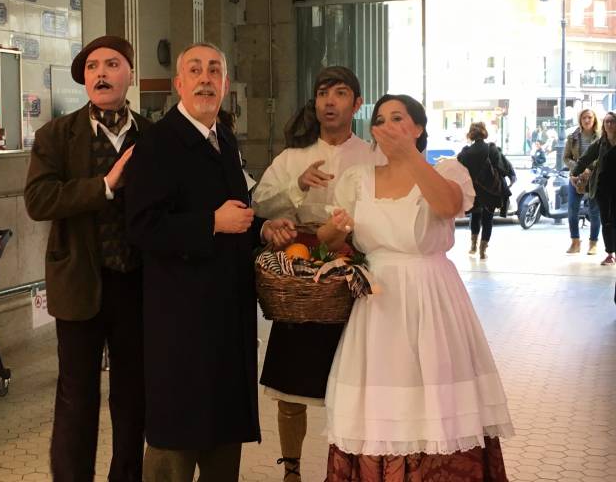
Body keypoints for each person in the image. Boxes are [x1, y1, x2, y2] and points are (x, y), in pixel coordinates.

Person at [318, 94, 512, 481]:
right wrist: (337, 226)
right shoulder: (359, 177)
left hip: (432, 296)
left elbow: (448, 205)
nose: (388, 125)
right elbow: (327, 236)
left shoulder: (447, 170)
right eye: (380, 119)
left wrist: (409, 157)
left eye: (398, 118)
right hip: (378, 302)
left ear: (419, 128)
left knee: (433, 388)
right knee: (382, 393)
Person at [125, 42, 295, 482]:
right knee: (178, 432)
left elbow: (233, 208)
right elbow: (143, 226)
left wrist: (260, 228)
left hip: (226, 311)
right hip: (181, 316)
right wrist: (210, 224)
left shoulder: (223, 138)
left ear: (225, 84)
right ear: (178, 84)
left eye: (214, 70)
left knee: (222, 427)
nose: (205, 79)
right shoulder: (158, 143)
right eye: (195, 71)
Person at [24, 36, 150, 482]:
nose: (100, 73)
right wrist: (105, 184)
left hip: (137, 285)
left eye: (112, 64)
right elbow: (38, 200)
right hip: (78, 282)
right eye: (92, 66)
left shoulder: (152, 135)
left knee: (133, 395)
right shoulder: (57, 135)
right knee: (77, 395)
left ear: (129, 74)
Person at [252, 66, 383, 482]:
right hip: (303, 276)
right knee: (290, 390)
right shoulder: (293, 157)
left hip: (353, 274)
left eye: (340, 93)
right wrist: (298, 186)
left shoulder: (372, 156)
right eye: (323, 93)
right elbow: (259, 204)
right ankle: (291, 469)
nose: (329, 101)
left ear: (357, 104)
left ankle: (350, 467)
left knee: (353, 386)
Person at [457, 122, 515, 260]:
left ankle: (473, 245)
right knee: (487, 220)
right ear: (484, 133)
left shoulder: (465, 152)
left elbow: (459, 170)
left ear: (470, 134)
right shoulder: (491, 149)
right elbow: (504, 168)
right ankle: (483, 251)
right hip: (490, 191)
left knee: (475, 217)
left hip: (474, 192)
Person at [572, 111, 616, 266]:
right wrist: (575, 173)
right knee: (606, 221)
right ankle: (610, 253)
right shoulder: (601, 142)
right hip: (603, 188)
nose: (610, 124)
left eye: (613, 121)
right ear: (603, 124)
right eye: (607, 122)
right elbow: (586, 158)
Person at [563, 109, 601, 255]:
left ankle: (593, 243)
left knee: (594, 212)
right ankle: (575, 242)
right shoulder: (572, 137)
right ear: (580, 120)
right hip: (576, 179)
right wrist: (577, 169)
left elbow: (602, 157)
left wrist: (589, 169)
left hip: (594, 178)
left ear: (594, 119)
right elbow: (566, 158)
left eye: (590, 117)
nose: (587, 120)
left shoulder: (600, 137)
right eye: (584, 117)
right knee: (572, 210)